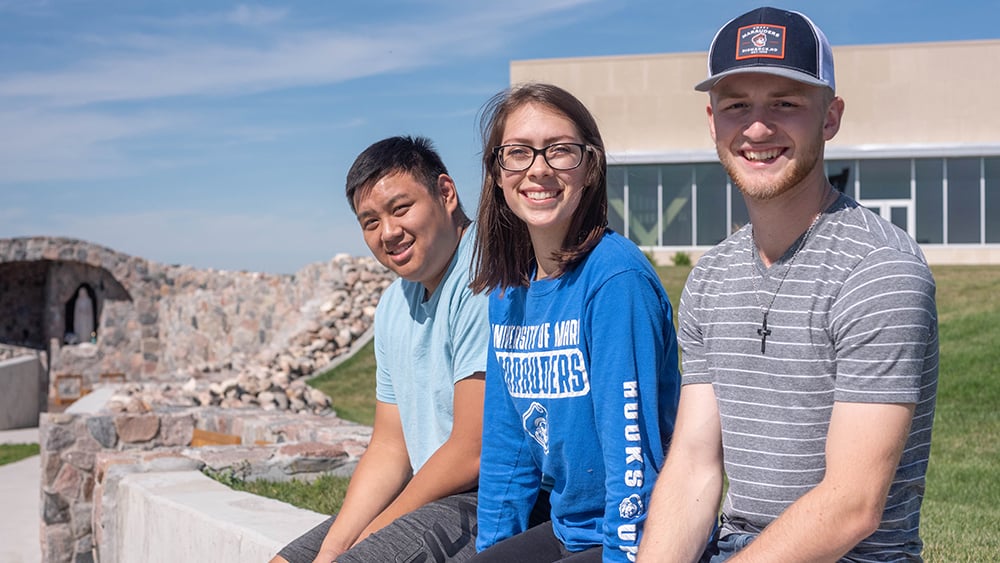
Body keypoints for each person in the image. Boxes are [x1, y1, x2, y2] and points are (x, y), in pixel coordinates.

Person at [636, 7, 938, 562]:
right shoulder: (710, 277)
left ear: (830, 117)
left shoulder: (879, 268)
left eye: (785, 103)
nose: (756, 127)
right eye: (737, 106)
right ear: (712, 122)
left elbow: (853, 504)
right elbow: (694, 468)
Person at [468, 82, 681, 563]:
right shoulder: (508, 291)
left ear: (590, 168)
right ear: (497, 174)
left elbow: (633, 458)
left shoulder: (614, 280)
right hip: (569, 528)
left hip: (639, 536)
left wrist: (623, 555)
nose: (538, 168)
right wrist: (491, 554)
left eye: (560, 151)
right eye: (518, 152)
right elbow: (509, 448)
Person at [272, 136, 489, 563]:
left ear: (446, 194)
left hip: (488, 498)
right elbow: (391, 447)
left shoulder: (485, 274)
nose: (388, 232)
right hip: (429, 492)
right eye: (370, 222)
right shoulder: (394, 302)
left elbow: (472, 451)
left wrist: (373, 535)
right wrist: (334, 546)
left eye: (400, 209)